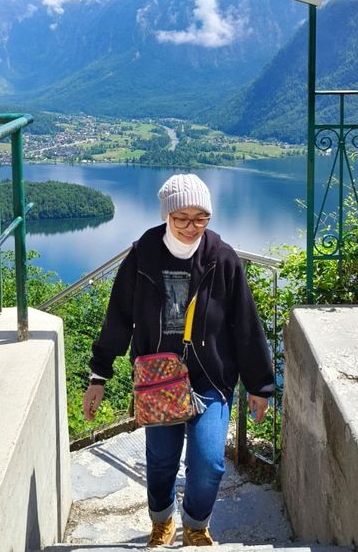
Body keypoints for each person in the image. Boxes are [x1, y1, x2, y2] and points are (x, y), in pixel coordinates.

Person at [82, 174, 274, 547]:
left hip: (211, 377)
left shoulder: (222, 258)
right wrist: (98, 376)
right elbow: (118, 317)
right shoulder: (143, 255)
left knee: (209, 463)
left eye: (200, 218)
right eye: (181, 218)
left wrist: (260, 385)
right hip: (159, 378)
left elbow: (245, 324)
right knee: (162, 459)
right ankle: (161, 521)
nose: (190, 227)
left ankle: (196, 525)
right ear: (167, 215)